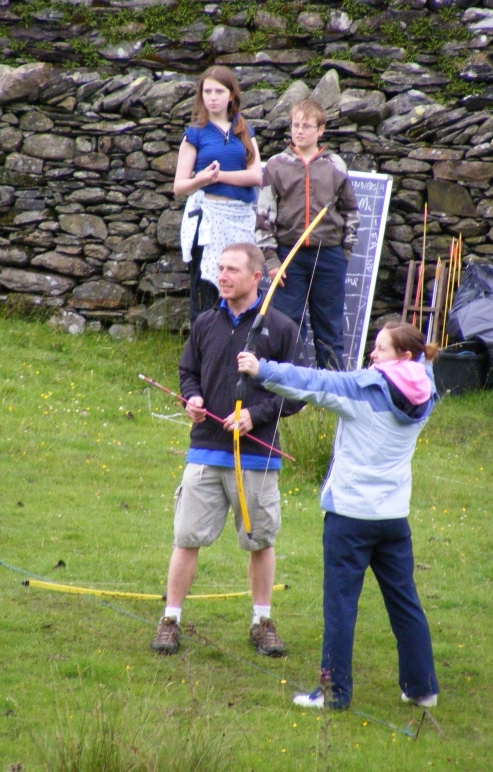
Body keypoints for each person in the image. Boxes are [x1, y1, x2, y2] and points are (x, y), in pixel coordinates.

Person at [237, 321, 440, 710]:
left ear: (405, 356)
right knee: (405, 602)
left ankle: (334, 694)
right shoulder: (426, 391)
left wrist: (261, 369)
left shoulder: (364, 388)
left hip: (350, 517)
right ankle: (422, 688)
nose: (372, 355)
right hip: (393, 518)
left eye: (381, 349)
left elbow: (313, 383)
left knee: (340, 607)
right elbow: (419, 370)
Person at [150, 243, 305, 657]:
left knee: (260, 541)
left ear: (257, 277)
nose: (222, 275)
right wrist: (193, 399)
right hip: (205, 452)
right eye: (220, 268)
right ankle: (170, 620)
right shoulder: (205, 321)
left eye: (232, 269)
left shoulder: (281, 328)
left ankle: (262, 622)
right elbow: (188, 371)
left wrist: (254, 415)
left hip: (255, 457)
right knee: (186, 538)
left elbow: (297, 392)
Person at [256, 99, 359, 369]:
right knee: (288, 325)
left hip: (330, 256)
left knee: (330, 327)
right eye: (295, 125)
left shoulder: (335, 165)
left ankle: (331, 386)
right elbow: (264, 215)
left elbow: (350, 210)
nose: (299, 131)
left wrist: (344, 254)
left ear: (321, 129)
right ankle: (290, 385)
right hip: (289, 257)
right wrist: (271, 260)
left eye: (306, 126)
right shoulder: (276, 165)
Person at [177, 66, 262, 324]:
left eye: (219, 91)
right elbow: (180, 186)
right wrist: (201, 179)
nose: (212, 97)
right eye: (207, 92)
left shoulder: (244, 130)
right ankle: (202, 349)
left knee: (241, 288)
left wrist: (218, 176)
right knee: (205, 295)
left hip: (241, 220)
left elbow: (256, 176)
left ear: (231, 95)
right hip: (208, 222)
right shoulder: (195, 133)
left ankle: (238, 346)